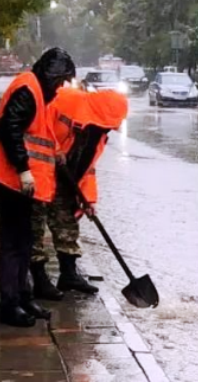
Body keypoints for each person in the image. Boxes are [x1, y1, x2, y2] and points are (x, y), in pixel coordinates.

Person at [0, 47, 75, 327]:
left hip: (19, 183)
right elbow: (9, 129)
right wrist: (24, 170)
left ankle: (23, 297)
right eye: (60, 81)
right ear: (51, 75)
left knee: (24, 243)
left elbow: (37, 132)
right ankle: (9, 305)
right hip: (10, 179)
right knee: (13, 245)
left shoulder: (36, 92)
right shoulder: (28, 90)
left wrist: (56, 151)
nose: (60, 88)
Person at [31, 86, 128, 299]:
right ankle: (38, 279)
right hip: (38, 172)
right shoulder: (64, 100)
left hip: (66, 179)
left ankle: (68, 275)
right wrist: (54, 149)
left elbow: (88, 168)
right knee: (34, 227)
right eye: (109, 124)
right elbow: (38, 125)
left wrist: (89, 199)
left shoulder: (98, 133)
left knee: (67, 224)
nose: (110, 128)